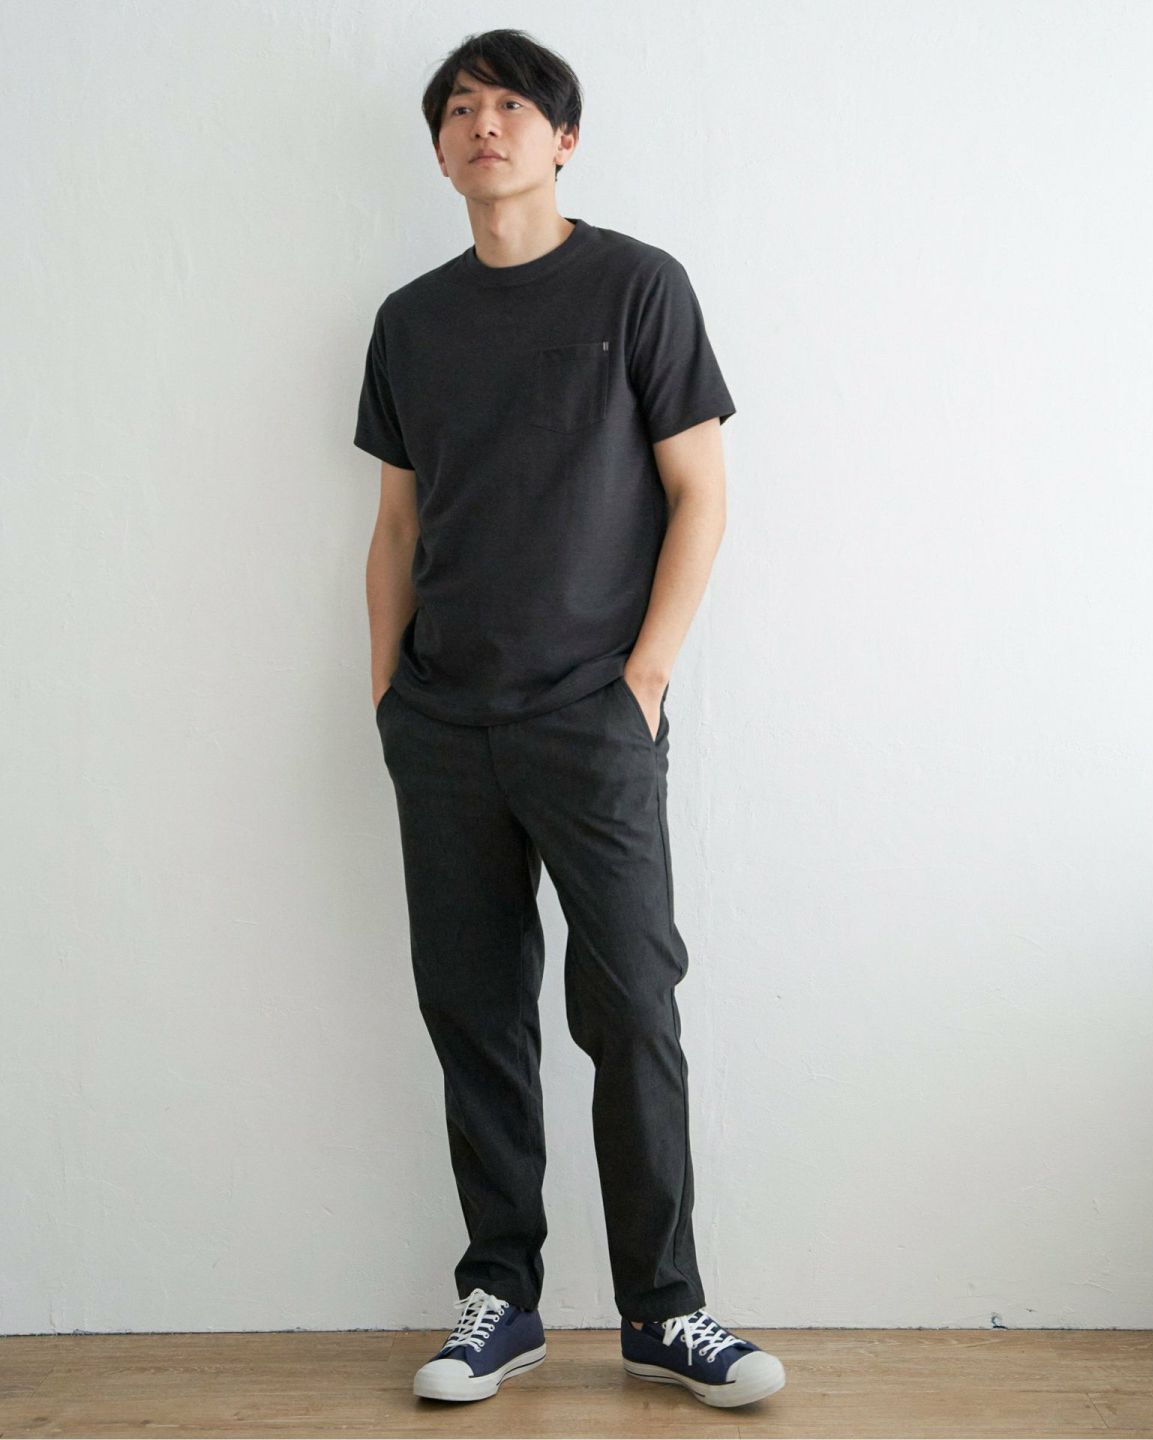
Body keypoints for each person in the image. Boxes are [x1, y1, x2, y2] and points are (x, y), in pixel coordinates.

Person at [353, 27, 785, 1410]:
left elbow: (702, 492)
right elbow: (395, 526)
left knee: (632, 1009)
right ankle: (503, 1298)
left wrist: (640, 684)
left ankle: (668, 1311)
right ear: (440, 150)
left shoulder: (638, 286)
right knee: (473, 1012)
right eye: (459, 109)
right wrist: (387, 695)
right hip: (442, 725)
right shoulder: (410, 321)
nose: (484, 125)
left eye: (511, 105)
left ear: (563, 138)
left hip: (591, 717)